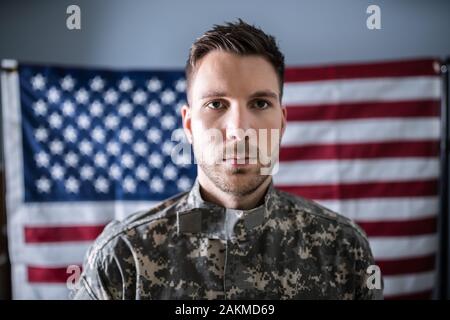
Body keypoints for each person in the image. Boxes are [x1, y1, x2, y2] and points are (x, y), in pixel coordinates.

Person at [72, 19, 383, 300]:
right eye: (216, 103)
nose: (239, 130)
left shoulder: (344, 249)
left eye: (260, 103)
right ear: (189, 125)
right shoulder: (123, 257)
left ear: (282, 123)